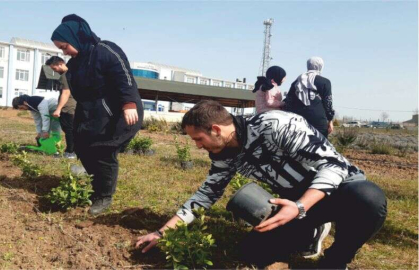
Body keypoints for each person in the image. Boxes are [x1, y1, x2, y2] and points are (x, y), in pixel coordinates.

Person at [136, 100, 387, 269]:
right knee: (253, 254)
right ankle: (311, 232)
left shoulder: (276, 125)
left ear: (215, 129)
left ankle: (336, 259)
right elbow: (206, 195)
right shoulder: (224, 154)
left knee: (369, 199)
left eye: (198, 139)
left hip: (340, 190)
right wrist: (162, 232)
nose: (197, 146)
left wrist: (300, 206)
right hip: (293, 203)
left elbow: (334, 166)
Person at [51, 14, 143, 215]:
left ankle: (103, 196)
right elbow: (80, 92)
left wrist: (128, 104)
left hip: (119, 111)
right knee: (82, 146)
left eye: (65, 47)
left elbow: (124, 76)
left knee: (103, 151)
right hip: (93, 112)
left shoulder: (106, 50)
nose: (65, 53)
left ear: (76, 38)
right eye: (61, 50)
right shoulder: (75, 64)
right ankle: (96, 187)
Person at [284, 57, 335, 137]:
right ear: (321, 66)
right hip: (317, 119)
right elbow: (328, 103)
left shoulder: (297, 81)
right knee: (319, 145)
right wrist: (330, 120)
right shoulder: (325, 82)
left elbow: (288, 102)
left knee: (299, 145)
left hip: (297, 119)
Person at [45, 56, 77, 159]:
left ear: (60, 64)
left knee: (69, 130)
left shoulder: (64, 76)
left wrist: (58, 109)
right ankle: (74, 151)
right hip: (73, 106)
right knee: (72, 130)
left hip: (68, 107)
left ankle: (70, 152)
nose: (55, 71)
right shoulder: (73, 72)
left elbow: (66, 93)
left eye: (54, 69)